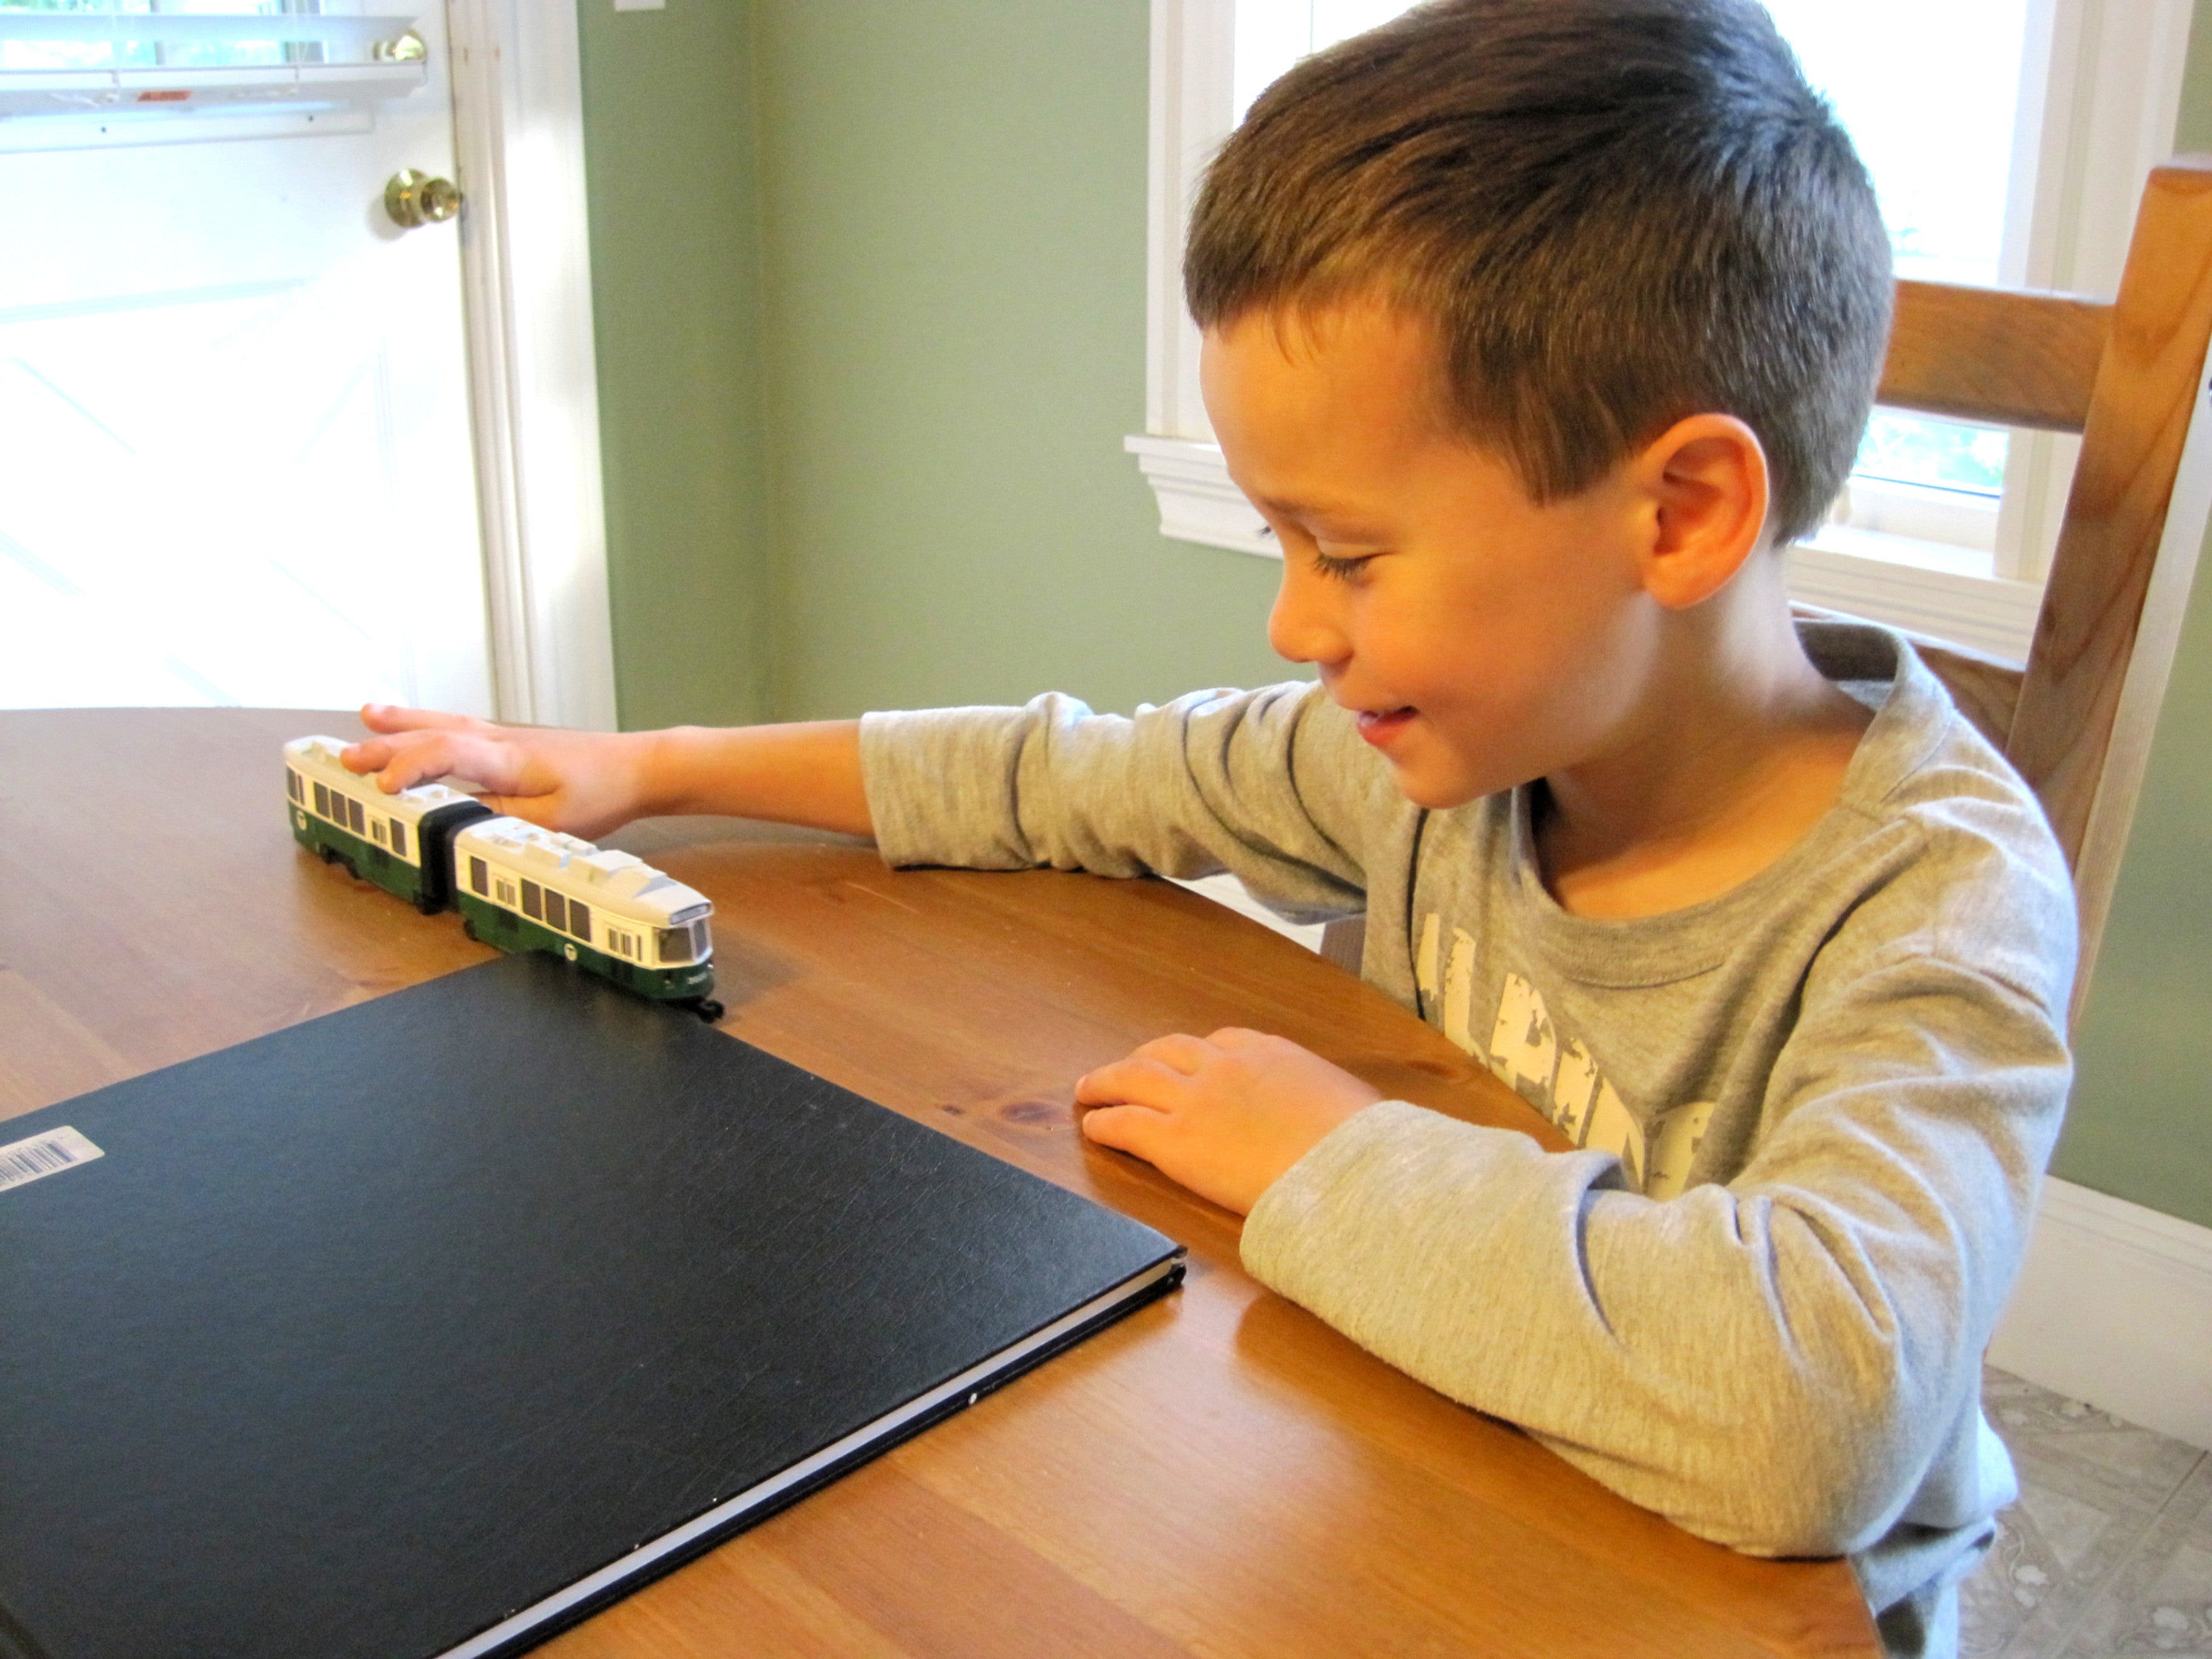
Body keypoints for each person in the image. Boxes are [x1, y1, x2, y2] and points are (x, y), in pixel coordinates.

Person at [341, 3, 2074, 1653]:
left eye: (1352, 552)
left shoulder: (1936, 899)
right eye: (1280, 545)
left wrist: (1324, 1155)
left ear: (1682, 514)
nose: (1297, 631)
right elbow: (1063, 779)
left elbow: (1811, 1423)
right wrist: (656, 765)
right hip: (1415, 1471)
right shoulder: (1435, 757)